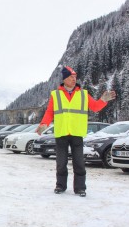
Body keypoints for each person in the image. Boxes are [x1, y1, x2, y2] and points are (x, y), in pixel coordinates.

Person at [36, 66, 116, 197]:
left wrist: (103, 100)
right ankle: (60, 186)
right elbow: (50, 112)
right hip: (61, 132)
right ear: (64, 79)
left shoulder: (83, 94)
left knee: (79, 162)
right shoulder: (55, 95)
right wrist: (44, 124)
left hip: (77, 133)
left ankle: (80, 188)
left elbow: (95, 107)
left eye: (75, 77)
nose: (74, 80)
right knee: (61, 163)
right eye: (70, 77)